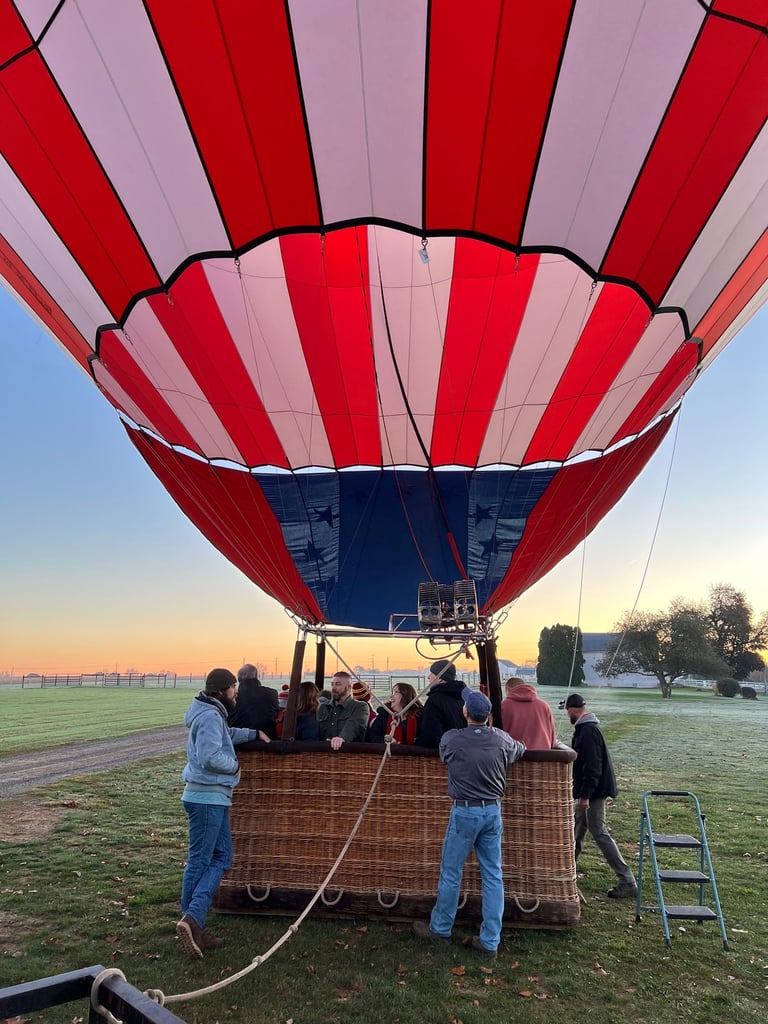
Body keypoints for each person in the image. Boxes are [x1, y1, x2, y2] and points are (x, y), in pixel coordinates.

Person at [413, 688, 525, 958]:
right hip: (492, 812)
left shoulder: (453, 739)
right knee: (493, 875)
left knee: (451, 872)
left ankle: (440, 928)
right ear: (487, 716)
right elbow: (520, 749)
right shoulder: (501, 739)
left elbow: (443, 754)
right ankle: (490, 941)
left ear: (465, 712)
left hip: (464, 812)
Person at [177, 668, 268, 959]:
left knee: (220, 858)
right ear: (220, 691)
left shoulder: (212, 714)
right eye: (232, 688)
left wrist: (253, 733)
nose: (236, 692)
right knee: (203, 860)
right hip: (207, 797)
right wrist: (235, 767)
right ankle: (192, 919)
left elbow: (225, 735)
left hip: (209, 797)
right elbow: (210, 756)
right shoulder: (208, 717)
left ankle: (192, 921)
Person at [564, 693, 637, 899]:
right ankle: (566, 870)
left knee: (599, 832)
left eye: (567, 710)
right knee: (577, 830)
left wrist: (585, 797)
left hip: (593, 792)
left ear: (572, 710)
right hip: (587, 791)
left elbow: (593, 767)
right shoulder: (585, 728)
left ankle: (627, 880)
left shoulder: (587, 731)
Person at [501, 676, 565, 749]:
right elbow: (552, 736)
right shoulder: (544, 706)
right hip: (543, 755)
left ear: (508, 689)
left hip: (514, 756)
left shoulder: (504, 706)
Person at [414, 659, 466, 748]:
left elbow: (430, 734)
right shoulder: (461, 698)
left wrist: (415, 744)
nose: (428, 677)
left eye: (432, 674)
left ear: (440, 679)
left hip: (442, 754)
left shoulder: (435, 700)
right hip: (460, 750)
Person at [317, 671, 370, 750]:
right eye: (332, 684)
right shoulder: (323, 707)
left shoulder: (360, 707)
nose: (333, 688)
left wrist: (341, 738)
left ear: (349, 687)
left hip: (350, 755)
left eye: (338, 684)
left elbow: (353, 725)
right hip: (324, 754)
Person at [227, 663, 279, 738]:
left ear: (239, 678)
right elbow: (275, 714)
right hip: (268, 740)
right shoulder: (272, 693)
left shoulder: (232, 697)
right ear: (256, 677)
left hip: (240, 742)